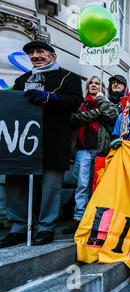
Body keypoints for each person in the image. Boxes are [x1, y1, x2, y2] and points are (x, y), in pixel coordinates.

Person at [0, 41, 83, 247]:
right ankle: (19, 227)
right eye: (31, 53)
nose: (35, 56)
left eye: (40, 52)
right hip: (20, 142)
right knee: (16, 184)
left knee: (50, 187)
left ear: (53, 56)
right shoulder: (21, 80)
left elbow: (75, 102)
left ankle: (45, 227)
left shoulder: (68, 77)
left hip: (52, 141)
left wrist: (50, 97)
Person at [63, 76, 119, 234]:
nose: (94, 85)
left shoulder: (106, 103)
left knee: (100, 185)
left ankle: (96, 218)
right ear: (87, 86)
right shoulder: (80, 104)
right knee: (82, 185)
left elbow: (113, 116)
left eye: (98, 84)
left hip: (102, 150)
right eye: (91, 83)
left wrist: (101, 102)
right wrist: (96, 113)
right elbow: (74, 119)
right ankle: (79, 217)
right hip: (83, 149)